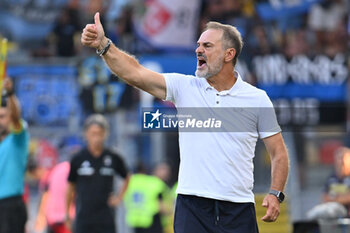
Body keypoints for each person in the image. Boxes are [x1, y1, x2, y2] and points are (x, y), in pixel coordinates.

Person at [81, 13, 289, 233]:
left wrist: (276, 193)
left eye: (207, 46)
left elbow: (278, 153)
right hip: (192, 208)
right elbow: (135, 73)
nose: (199, 50)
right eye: (198, 45)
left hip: (238, 209)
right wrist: (104, 45)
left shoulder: (256, 99)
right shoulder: (185, 87)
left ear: (229, 54)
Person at [66, 114, 130, 233]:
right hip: (84, 218)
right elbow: (70, 186)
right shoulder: (78, 158)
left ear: (105, 134)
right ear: (86, 134)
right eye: (93, 133)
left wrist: (118, 198)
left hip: (106, 217)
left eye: (100, 133)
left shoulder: (113, 157)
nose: (97, 138)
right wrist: (67, 213)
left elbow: (127, 177)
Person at [0, 77, 30, 233]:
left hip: (10, 206)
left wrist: (10, 93)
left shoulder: (17, 139)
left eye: (2, 117)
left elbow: (17, 117)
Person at [123, 163, 169, 233]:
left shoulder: (129, 182)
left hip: (136, 221)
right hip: (152, 220)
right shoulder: (154, 182)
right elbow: (161, 205)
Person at [323, 147, 350, 213]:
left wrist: (334, 198)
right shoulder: (331, 178)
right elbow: (324, 198)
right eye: (340, 158)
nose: (342, 161)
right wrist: (343, 197)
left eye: (344, 158)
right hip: (335, 213)